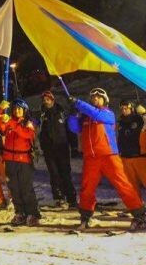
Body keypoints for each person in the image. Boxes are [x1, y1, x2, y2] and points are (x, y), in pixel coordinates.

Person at [68, 88, 146, 231]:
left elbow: (97, 115)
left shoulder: (107, 114)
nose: (95, 99)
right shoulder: (86, 118)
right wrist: (73, 113)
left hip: (109, 155)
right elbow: (73, 128)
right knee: (87, 189)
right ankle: (86, 217)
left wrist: (79, 103)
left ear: (105, 100)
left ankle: (140, 214)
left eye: (99, 97)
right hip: (91, 158)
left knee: (123, 185)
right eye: (93, 97)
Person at [0, 99, 41, 226]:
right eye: (15, 108)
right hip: (10, 160)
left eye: (20, 108)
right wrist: (0, 111)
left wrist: (11, 123)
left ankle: (32, 213)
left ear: (25, 110)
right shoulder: (9, 121)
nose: (17, 110)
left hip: (24, 160)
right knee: (14, 188)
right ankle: (20, 212)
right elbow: (0, 126)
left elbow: (27, 135)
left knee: (26, 188)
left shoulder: (28, 122)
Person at [38, 91, 77, 208]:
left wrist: (74, 146)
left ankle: (71, 198)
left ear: (52, 100)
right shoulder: (41, 114)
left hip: (62, 147)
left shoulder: (62, 113)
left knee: (65, 173)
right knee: (54, 174)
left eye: (48, 99)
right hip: (49, 149)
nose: (46, 102)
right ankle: (59, 198)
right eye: (44, 100)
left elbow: (70, 130)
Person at [117, 101, 146, 202]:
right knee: (131, 185)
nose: (124, 111)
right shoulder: (120, 122)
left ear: (132, 108)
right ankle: (137, 206)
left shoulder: (140, 119)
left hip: (140, 156)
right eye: (122, 109)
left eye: (126, 108)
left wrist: (144, 113)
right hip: (125, 156)